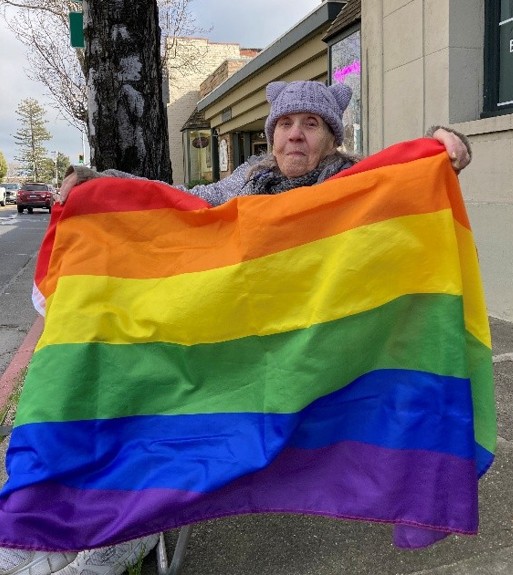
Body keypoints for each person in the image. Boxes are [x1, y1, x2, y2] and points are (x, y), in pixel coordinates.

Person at [0, 80, 472, 575]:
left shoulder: (357, 186)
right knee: (127, 389)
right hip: (229, 344)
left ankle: (113, 538)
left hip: (311, 364)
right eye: (286, 124)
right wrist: (101, 183)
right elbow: (180, 202)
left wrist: (442, 148)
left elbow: (413, 184)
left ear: (332, 137)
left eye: (310, 124)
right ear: (271, 135)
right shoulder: (249, 177)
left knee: (190, 429)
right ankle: (58, 529)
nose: (295, 135)